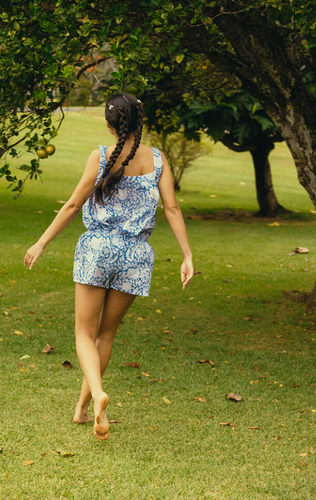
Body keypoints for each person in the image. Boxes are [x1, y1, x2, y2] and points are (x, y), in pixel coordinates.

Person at [24, 92, 194, 440]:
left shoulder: (100, 156)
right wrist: (187, 255)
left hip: (98, 249)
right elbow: (173, 209)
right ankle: (84, 408)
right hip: (137, 256)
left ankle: (98, 395)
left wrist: (42, 242)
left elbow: (73, 205)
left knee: (84, 334)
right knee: (106, 334)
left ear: (108, 123)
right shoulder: (159, 159)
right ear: (138, 123)